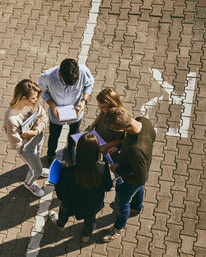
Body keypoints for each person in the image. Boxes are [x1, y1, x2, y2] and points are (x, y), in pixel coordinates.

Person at [101, 107, 156, 242]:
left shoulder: (135, 149)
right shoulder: (142, 121)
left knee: (121, 203)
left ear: (120, 130)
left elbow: (140, 179)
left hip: (130, 180)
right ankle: (136, 207)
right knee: (139, 190)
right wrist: (119, 147)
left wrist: (117, 169)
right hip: (141, 167)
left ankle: (119, 227)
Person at [50, 132, 112, 242]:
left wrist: (61, 172)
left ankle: (60, 225)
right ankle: (86, 236)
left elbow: (61, 194)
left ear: (79, 151)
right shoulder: (102, 167)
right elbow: (108, 186)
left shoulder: (68, 172)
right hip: (93, 205)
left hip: (72, 204)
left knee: (63, 213)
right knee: (90, 220)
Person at [39, 58, 94, 164]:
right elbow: (43, 92)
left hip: (75, 112)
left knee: (74, 132)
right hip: (57, 115)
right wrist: (53, 106)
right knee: (54, 136)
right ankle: (51, 154)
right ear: (59, 73)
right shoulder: (47, 77)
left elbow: (89, 84)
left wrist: (83, 101)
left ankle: (71, 149)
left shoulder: (84, 72)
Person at [4, 79, 49, 197]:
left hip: (37, 138)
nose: (36, 100)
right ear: (23, 98)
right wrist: (30, 134)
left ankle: (36, 169)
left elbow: (44, 117)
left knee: (37, 159)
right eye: (33, 98)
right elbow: (16, 144)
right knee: (36, 168)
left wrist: (35, 131)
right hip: (26, 148)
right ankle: (29, 184)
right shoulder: (11, 119)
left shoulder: (32, 104)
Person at [87, 88, 126, 155]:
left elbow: (118, 140)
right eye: (99, 106)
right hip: (99, 136)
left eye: (103, 107)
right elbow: (99, 117)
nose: (100, 109)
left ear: (113, 105)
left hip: (108, 144)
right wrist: (91, 128)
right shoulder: (105, 109)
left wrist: (104, 147)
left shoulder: (119, 119)